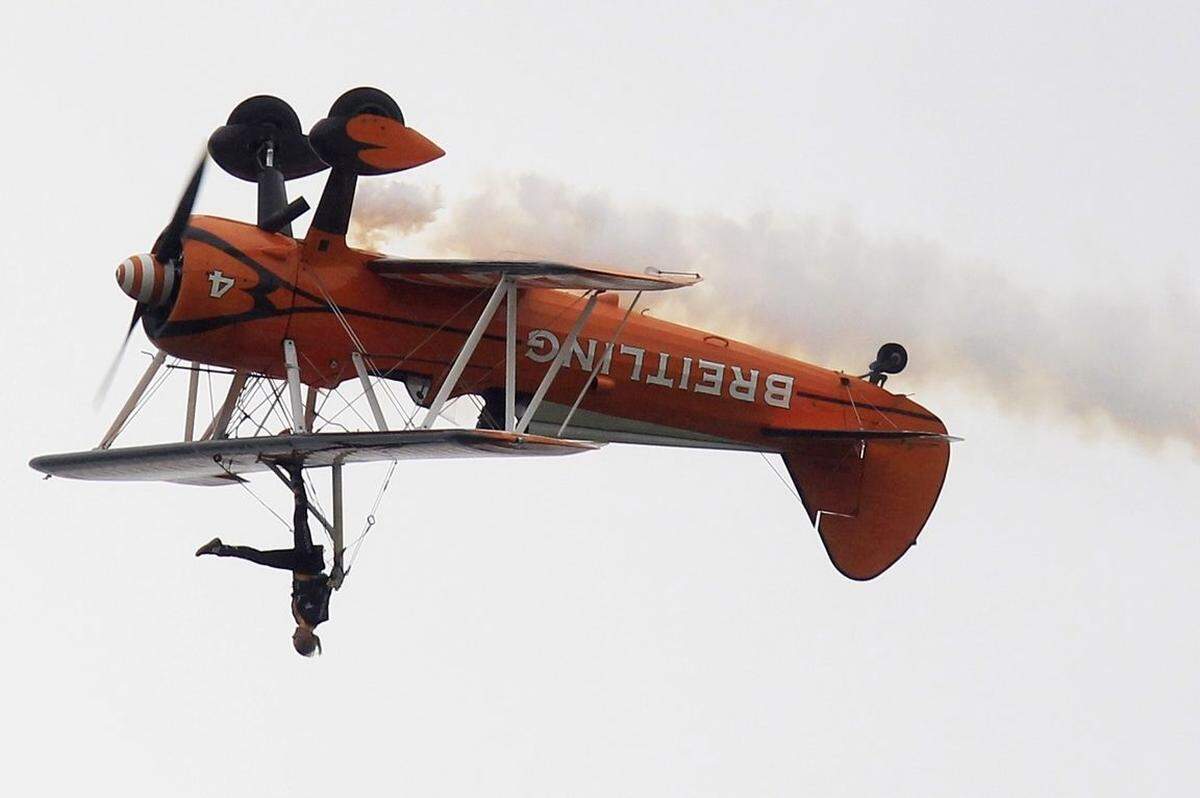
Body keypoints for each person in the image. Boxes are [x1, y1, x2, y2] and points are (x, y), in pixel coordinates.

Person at [195, 460, 333, 657]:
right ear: (304, 638)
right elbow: (326, 589)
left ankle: (219, 548)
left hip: (296, 566)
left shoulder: (297, 617)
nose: (293, 636)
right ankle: (295, 472)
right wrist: (334, 577)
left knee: (258, 557)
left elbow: (297, 593)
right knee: (300, 519)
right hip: (308, 563)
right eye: (296, 639)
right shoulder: (318, 616)